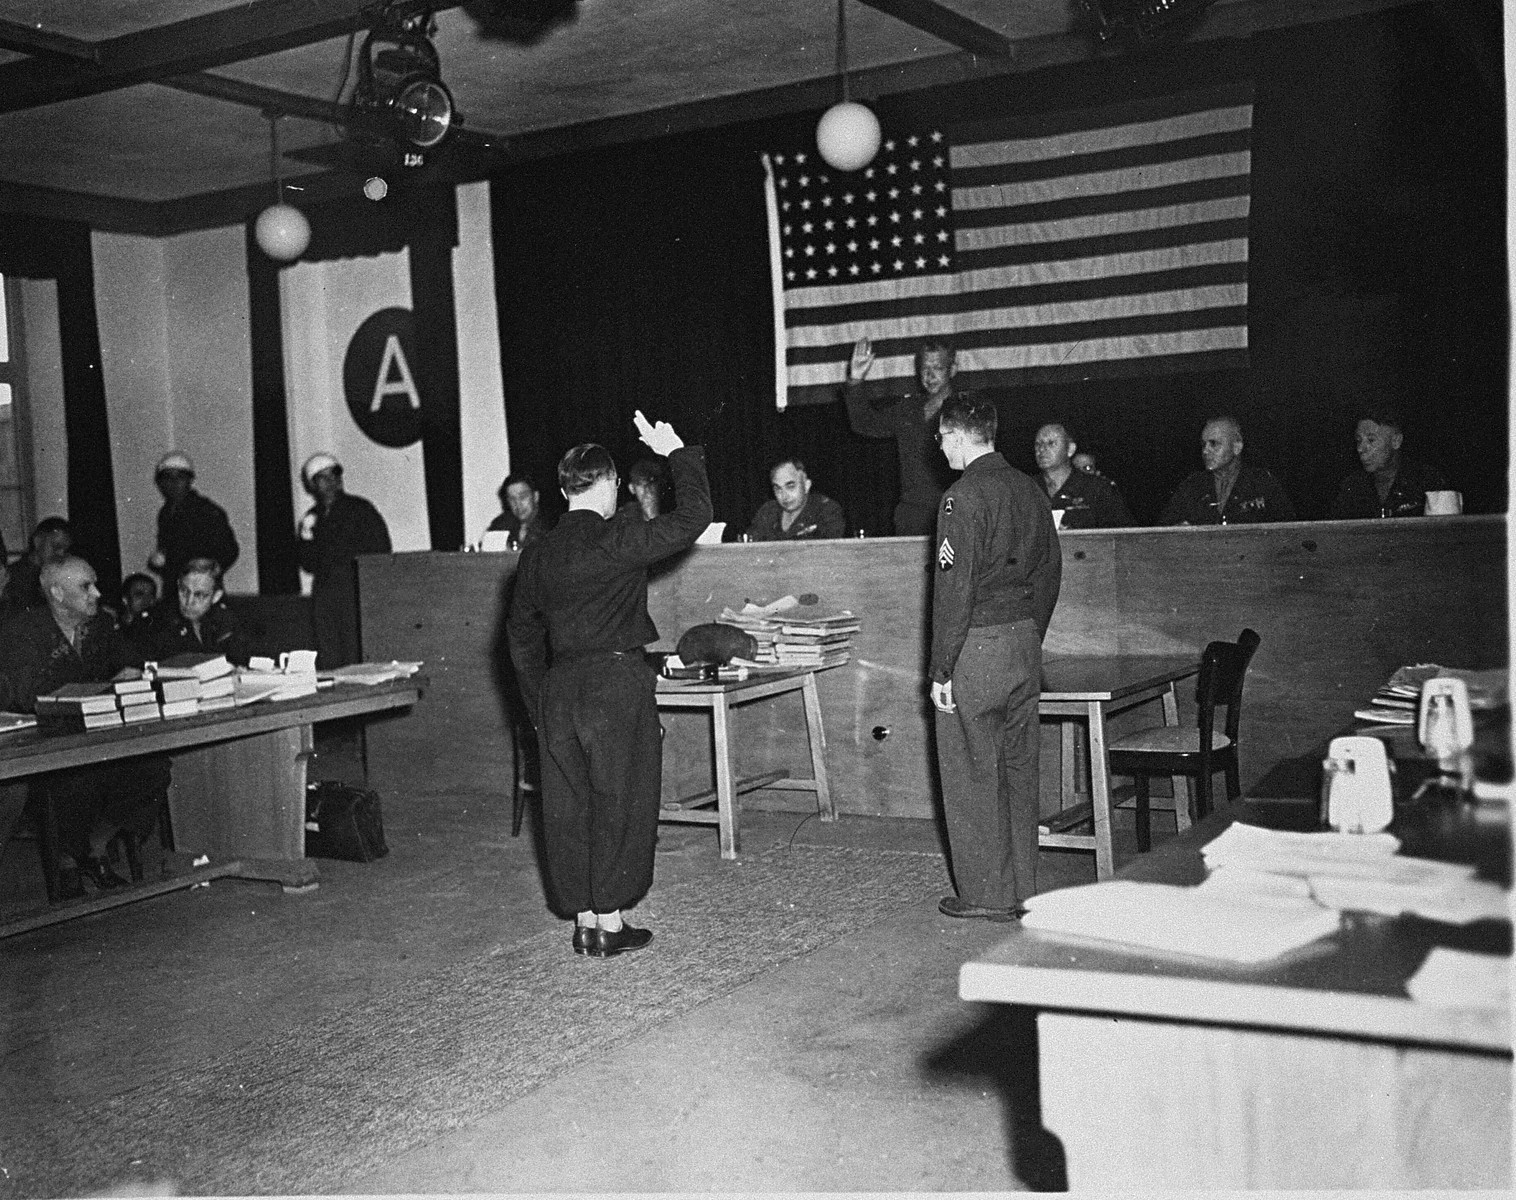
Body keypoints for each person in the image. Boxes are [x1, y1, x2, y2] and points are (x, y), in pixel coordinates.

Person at [507, 415, 711, 959]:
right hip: (616, 684)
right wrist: (677, 451)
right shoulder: (619, 536)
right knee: (621, 797)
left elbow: (521, 638)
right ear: (611, 484)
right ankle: (612, 924)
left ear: (562, 489)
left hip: (559, 690)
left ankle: (584, 921)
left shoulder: (538, 553)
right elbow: (695, 516)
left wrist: (538, 703)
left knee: (569, 805)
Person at [930, 396, 1062, 922]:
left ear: (960, 436)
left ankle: (986, 894)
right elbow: (1050, 572)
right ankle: (1022, 886)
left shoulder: (960, 499)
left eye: (941, 437)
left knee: (970, 769)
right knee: (1018, 767)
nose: (938, 448)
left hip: (976, 650)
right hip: (1023, 644)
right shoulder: (1030, 489)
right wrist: (1031, 632)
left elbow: (952, 591)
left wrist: (942, 668)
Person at [0, 556, 169, 897]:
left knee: (153, 768)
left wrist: (130, 672)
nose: (97, 592)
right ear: (58, 593)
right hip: (47, 740)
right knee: (78, 780)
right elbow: (28, 694)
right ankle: (67, 861)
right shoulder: (20, 631)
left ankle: (94, 846)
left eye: (95, 583)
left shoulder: (102, 625)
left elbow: (129, 659)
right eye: (86, 586)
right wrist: (101, 687)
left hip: (99, 731)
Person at [842, 337, 962, 535]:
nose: (930, 375)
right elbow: (864, 424)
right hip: (912, 515)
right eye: (924, 368)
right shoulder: (908, 409)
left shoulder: (965, 409)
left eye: (938, 367)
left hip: (954, 512)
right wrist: (855, 380)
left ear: (953, 369)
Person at [296, 453, 392, 669]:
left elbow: (382, 552)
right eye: (323, 478)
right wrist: (307, 536)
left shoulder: (361, 510)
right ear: (312, 485)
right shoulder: (312, 518)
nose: (331, 482)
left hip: (356, 594)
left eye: (334, 476)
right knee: (329, 658)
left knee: (355, 657)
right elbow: (307, 564)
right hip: (325, 597)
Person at [1159, 416, 1296, 525]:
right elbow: (1164, 530)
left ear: (1237, 447)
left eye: (1214, 444)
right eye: (1203, 444)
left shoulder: (1261, 483)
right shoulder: (1192, 486)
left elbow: (1289, 531)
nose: (1206, 451)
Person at [1329, 408, 1450, 519]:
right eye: (1358, 440)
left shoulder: (1426, 481)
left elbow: (1446, 533)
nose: (1360, 448)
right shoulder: (1353, 487)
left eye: (1371, 440)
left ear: (1396, 441)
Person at [150, 451, 239, 585]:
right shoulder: (165, 512)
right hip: (174, 588)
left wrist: (209, 569)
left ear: (190, 480)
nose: (173, 483)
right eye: (167, 477)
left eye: (180, 477)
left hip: (202, 589)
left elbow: (230, 550)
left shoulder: (207, 510)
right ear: (161, 483)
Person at [1033, 423, 1133, 529]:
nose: (1042, 449)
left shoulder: (1097, 489)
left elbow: (1123, 536)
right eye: (1038, 444)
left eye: (1051, 443)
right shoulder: (1026, 489)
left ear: (1070, 449)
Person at [152, 558, 249, 666]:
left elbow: (242, 660)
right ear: (178, 585)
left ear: (216, 597)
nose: (189, 601)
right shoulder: (157, 621)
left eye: (199, 595)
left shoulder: (226, 621)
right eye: (184, 591)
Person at [744, 457, 846, 541]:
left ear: (806, 486)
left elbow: (829, 553)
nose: (784, 496)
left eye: (790, 486)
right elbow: (749, 548)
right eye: (778, 489)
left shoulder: (826, 510)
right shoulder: (768, 512)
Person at [1, 517, 73, 615]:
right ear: (38, 541)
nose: (61, 554)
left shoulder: (61, 577)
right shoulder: (12, 577)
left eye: (66, 550)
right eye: (56, 547)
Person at [486, 474, 556, 549]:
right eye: (512, 499)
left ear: (535, 497)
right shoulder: (501, 525)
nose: (518, 504)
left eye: (522, 497)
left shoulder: (552, 526)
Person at [118, 572, 160, 653]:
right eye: (139, 594)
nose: (146, 600)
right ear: (125, 598)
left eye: (151, 595)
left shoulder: (159, 629)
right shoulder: (113, 629)